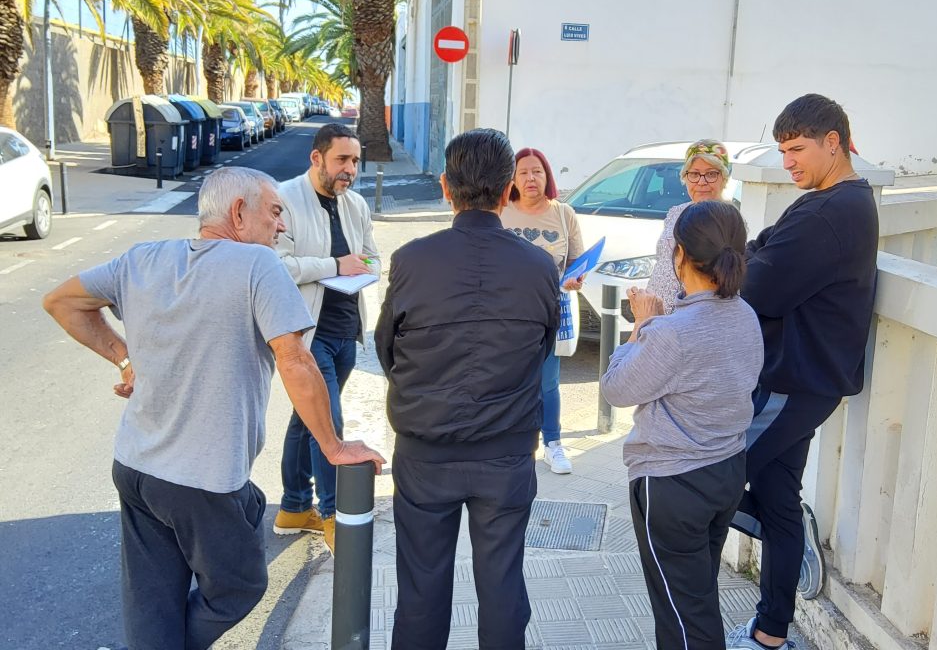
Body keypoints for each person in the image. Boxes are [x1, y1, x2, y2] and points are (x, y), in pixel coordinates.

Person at [41, 167, 384, 650]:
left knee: (154, 601)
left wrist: (125, 359)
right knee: (240, 586)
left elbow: (61, 302)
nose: (281, 226)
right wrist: (333, 446)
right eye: (275, 212)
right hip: (201, 480)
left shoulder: (142, 258)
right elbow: (296, 359)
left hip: (136, 466)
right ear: (239, 213)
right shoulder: (257, 265)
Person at [376, 129, 560, 650]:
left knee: (420, 590)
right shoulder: (539, 266)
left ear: (445, 188)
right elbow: (542, 348)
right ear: (507, 191)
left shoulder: (412, 259)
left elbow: (388, 348)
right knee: (503, 588)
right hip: (505, 452)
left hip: (425, 449)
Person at [725, 94, 879, 650]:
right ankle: (771, 634)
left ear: (832, 143)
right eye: (783, 150)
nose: (787, 162)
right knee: (774, 492)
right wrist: (755, 257)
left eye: (797, 149)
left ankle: (780, 527)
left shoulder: (830, 212)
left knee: (702, 473)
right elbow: (758, 250)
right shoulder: (829, 201)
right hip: (804, 379)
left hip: (793, 380)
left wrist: (751, 263)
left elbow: (757, 283)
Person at [601, 201, 763, 650]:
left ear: (679, 255)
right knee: (696, 597)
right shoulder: (745, 316)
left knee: (683, 616)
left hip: (674, 484)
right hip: (726, 471)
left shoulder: (673, 331)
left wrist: (643, 325)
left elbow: (616, 387)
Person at [272, 123, 380, 555]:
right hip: (306, 332)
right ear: (316, 158)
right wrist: (336, 266)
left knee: (307, 419)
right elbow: (276, 265)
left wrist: (364, 265)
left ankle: (294, 507)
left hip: (346, 329)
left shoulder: (354, 204)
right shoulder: (284, 199)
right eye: (342, 160)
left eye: (355, 161)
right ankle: (335, 514)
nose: (350, 169)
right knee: (329, 423)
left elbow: (371, 256)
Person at [499, 147, 584, 474]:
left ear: (547, 175)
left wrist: (577, 276)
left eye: (537, 171)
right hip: (508, 312)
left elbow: (576, 261)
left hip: (550, 310)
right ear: (513, 179)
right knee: (509, 380)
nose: (531, 178)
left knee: (548, 382)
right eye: (523, 172)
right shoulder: (502, 211)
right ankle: (510, 443)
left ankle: (553, 444)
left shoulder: (564, 214)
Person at [646, 139, 733, 313]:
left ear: (723, 177)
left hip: (691, 315)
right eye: (694, 174)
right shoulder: (676, 212)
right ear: (685, 177)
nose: (701, 182)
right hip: (656, 310)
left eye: (711, 174)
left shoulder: (728, 219)